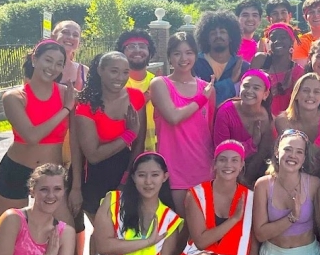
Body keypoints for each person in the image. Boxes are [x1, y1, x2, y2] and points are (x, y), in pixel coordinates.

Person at [0, 40, 76, 224]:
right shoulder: (14, 97)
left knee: (65, 231)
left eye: (59, 64)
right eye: (48, 60)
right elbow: (31, 136)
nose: (52, 67)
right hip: (16, 170)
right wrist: (66, 109)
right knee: (13, 231)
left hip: (53, 176)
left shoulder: (67, 94)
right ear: (34, 59)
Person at [74, 52, 147, 226]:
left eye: (125, 72)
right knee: (101, 232)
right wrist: (128, 134)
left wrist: (127, 177)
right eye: (114, 71)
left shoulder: (136, 97)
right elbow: (93, 155)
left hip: (125, 169)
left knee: (122, 231)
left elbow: (139, 143)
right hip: (94, 176)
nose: (120, 77)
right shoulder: (86, 104)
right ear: (100, 70)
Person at [151, 32, 216, 214]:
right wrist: (201, 100)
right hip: (174, 168)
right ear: (170, 57)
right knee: (180, 226)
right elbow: (173, 117)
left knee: (202, 226)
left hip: (204, 167)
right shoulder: (160, 84)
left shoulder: (207, 88)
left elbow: (209, 129)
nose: (183, 58)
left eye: (189, 52)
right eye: (177, 53)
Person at [213, 69, 274, 187]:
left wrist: (248, 181)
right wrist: (253, 143)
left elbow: (262, 154)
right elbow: (223, 152)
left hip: (255, 175)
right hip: (227, 171)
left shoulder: (266, 116)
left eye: (256, 88)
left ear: (265, 94)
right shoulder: (225, 112)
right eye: (246, 86)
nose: (249, 91)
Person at [274, 72, 320, 180]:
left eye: (316, 92)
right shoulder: (283, 121)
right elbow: (303, 158)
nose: (311, 95)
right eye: (306, 90)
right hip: (291, 175)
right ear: (296, 95)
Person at [192, 11, 248, 107]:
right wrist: (231, 81)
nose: (218, 36)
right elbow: (199, 99)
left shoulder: (243, 67)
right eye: (213, 33)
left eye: (222, 32)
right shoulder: (195, 64)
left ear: (231, 37)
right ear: (207, 39)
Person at [115, 28, 158, 150]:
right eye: (131, 46)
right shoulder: (116, 82)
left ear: (150, 52)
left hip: (155, 150)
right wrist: (143, 98)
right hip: (122, 148)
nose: (137, 50)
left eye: (142, 46)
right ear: (122, 52)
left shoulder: (158, 82)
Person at [251, 22, 304, 117]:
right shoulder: (261, 61)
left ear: (291, 42)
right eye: (273, 38)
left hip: (286, 124)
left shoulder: (298, 72)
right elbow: (249, 90)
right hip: (259, 120)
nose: (277, 41)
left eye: (283, 37)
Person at [52, 19, 88, 90]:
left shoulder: (85, 71)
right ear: (54, 36)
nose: (70, 37)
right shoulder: (43, 68)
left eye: (75, 35)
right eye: (65, 32)